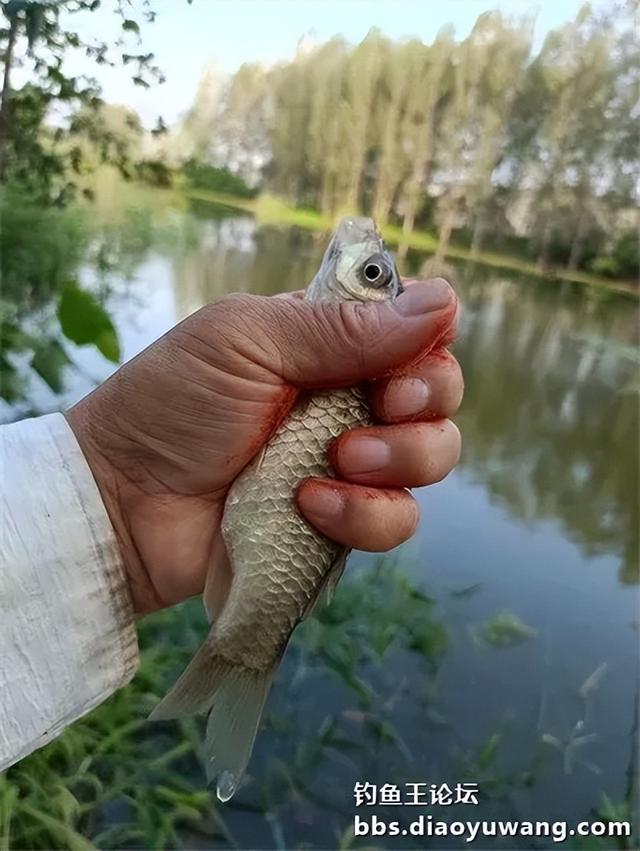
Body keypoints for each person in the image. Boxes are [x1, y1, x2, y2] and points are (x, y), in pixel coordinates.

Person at [0, 278, 462, 772]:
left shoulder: (352, 356)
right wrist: (112, 487)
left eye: (372, 273)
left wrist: (112, 502)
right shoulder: (304, 336)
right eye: (371, 272)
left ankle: (245, 652)